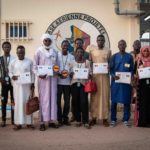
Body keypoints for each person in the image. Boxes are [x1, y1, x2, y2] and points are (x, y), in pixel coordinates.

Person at [34, 33, 58, 131]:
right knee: (44, 100)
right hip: (43, 80)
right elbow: (35, 66)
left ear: (51, 41)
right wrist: (39, 74)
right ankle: (42, 122)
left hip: (52, 79)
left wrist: (56, 71)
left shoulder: (55, 52)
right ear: (42, 41)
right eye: (45, 40)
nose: (47, 42)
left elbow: (57, 65)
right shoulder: (38, 51)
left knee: (52, 99)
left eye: (49, 40)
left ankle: (51, 120)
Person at [87, 34, 111, 127]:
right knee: (94, 97)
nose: (100, 41)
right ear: (96, 41)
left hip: (104, 77)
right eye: (99, 40)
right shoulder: (92, 50)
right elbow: (90, 63)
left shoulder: (108, 51)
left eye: (102, 40)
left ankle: (105, 118)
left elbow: (109, 63)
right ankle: (93, 117)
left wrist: (109, 67)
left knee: (105, 97)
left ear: (104, 41)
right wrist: (89, 73)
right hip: (95, 77)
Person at [9, 45, 35, 130]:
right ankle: (18, 123)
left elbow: (32, 73)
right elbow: (10, 72)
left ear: (24, 52)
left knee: (27, 104)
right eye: (19, 52)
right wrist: (12, 76)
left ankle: (29, 123)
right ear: (16, 53)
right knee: (18, 105)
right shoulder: (13, 62)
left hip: (27, 87)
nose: (21, 54)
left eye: (22, 52)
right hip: (17, 87)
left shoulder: (29, 61)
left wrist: (33, 83)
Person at [110, 40, 134, 127]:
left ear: (126, 45)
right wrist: (113, 75)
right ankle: (113, 119)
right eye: (120, 44)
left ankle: (126, 119)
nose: (122, 46)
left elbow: (132, 69)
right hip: (116, 82)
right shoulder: (114, 56)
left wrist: (130, 75)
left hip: (126, 83)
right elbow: (110, 69)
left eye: (123, 44)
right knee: (114, 101)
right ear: (118, 46)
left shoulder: (129, 57)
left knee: (126, 101)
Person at [71, 47, 91, 129]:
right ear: (75, 53)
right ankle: (78, 120)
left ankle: (85, 121)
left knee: (84, 102)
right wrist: (70, 73)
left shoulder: (87, 62)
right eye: (78, 52)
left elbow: (90, 73)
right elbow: (68, 72)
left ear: (83, 53)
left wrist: (88, 74)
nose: (79, 54)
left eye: (81, 52)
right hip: (74, 84)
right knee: (75, 102)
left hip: (83, 84)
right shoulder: (72, 63)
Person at [57, 40, 75, 126]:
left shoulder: (71, 57)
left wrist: (71, 73)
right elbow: (55, 67)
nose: (65, 47)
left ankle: (65, 118)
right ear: (61, 46)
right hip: (58, 82)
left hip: (68, 83)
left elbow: (72, 68)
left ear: (68, 47)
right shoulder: (57, 55)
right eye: (64, 45)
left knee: (67, 102)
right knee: (58, 102)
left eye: (67, 46)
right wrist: (58, 74)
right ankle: (59, 119)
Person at [0, 41, 15, 127]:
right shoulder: (0, 59)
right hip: (3, 84)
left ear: (10, 48)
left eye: (8, 47)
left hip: (12, 83)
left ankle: (13, 119)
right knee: (3, 101)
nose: (7, 48)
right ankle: (4, 120)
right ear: (2, 48)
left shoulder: (14, 59)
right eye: (5, 47)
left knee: (13, 101)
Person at [134, 46, 150, 127]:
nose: (146, 52)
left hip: (149, 85)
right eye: (144, 51)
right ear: (142, 52)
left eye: (147, 51)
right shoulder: (139, 60)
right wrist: (136, 76)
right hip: (141, 85)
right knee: (142, 102)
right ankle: (142, 121)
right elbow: (134, 72)